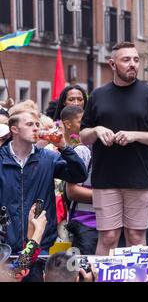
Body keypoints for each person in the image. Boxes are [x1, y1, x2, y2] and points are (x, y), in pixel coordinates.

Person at [80, 42, 148, 255]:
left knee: (135, 236)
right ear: (112, 64)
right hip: (106, 178)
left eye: (136, 60)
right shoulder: (98, 95)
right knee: (109, 236)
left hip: (140, 176)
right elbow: (83, 136)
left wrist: (135, 135)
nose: (132, 64)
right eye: (126, 60)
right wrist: (97, 130)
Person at [0, 107, 87, 280]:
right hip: (5, 251)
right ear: (14, 129)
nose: (35, 128)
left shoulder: (48, 158)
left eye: (37, 124)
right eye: (29, 124)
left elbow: (79, 174)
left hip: (40, 248)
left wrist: (63, 146)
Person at [61, 106, 98, 255]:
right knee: (84, 270)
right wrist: (109, 197)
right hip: (85, 223)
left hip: (109, 222)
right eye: (82, 122)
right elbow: (72, 191)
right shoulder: (82, 150)